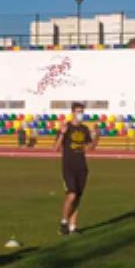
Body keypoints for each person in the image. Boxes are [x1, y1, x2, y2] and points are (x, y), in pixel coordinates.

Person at [53, 101, 98, 235]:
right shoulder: (66, 127)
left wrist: (97, 136)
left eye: (82, 112)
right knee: (71, 194)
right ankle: (64, 222)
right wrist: (62, 134)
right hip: (68, 166)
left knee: (78, 196)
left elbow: (90, 148)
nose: (80, 114)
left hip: (82, 166)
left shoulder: (84, 129)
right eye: (78, 112)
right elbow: (55, 148)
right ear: (72, 112)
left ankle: (73, 226)